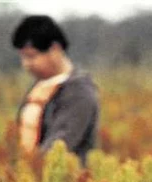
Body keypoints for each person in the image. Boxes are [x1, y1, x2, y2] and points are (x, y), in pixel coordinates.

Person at [12, 15, 99, 164]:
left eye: (31, 56)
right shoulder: (39, 87)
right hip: (31, 171)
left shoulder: (79, 91)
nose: (26, 64)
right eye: (23, 57)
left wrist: (34, 167)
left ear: (55, 49)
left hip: (62, 175)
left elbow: (60, 144)